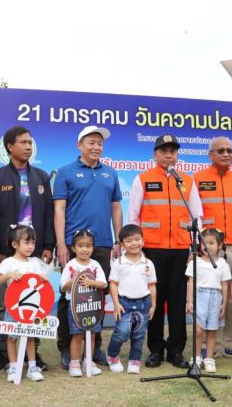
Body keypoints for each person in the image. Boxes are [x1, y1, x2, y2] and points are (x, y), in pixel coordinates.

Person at [128, 134, 202, 369]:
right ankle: (156, 350)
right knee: (155, 302)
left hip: (181, 250)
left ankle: (176, 351)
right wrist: (136, 249)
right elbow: (133, 216)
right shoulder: (143, 179)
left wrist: (194, 248)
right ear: (155, 154)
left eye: (173, 151)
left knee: (179, 302)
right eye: (164, 150)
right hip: (152, 250)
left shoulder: (187, 182)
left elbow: (196, 216)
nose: (169, 155)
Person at [0, 126, 53, 373]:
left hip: (35, 250)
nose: (28, 147)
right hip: (8, 252)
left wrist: (48, 245)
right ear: (9, 147)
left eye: (30, 143)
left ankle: (32, 353)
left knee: (36, 301)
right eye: (23, 142)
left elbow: (49, 214)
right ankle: (3, 352)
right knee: (5, 302)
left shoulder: (42, 177)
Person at [53, 125, 123, 368]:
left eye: (99, 143)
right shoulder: (65, 172)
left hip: (102, 244)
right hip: (74, 245)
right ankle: (66, 348)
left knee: (97, 296)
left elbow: (116, 207)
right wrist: (61, 244)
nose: (96, 147)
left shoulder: (110, 173)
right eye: (91, 142)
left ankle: (94, 349)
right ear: (79, 145)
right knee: (68, 295)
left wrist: (117, 240)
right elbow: (59, 208)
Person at [193, 136, 232, 362]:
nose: (226, 154)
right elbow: (194, 213)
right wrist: (201, 244)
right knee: (210, 296)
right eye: (220, 151)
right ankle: (209, 346)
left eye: (230, 150)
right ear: (210, 155)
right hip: (211, 249)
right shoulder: (198, 178)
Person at [0, 225, 49, 382]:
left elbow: (43, 280)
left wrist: (43, 277)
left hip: (31, 309)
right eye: (26, 242)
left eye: (33, 242)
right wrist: (9, 274)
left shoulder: (35, 263)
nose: (30, 246)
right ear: (15, 244)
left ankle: (31, 366)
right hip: (13, 308)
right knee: (12, 337)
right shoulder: (8, 262)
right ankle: (13, 366)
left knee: (30, 337)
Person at [106, 224, 157, 375]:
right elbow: (113, 284)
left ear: (143, 241)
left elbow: (152, 285)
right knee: (122, 331)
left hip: (144, 303)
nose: (134, 243)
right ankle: (112, 355)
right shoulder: (118, 263)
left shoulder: (148, 263)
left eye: (137, 239)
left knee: (139, 333)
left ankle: (135, 359)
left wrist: (153, 305)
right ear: (122, 245)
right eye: (129, 241)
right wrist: (116, 304)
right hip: (124, 303)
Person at [59, 229, 108, 377]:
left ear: (93, 248)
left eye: (88, 246)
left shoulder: (96, 265)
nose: (84, 249)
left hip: (93, 306)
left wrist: (90, 282)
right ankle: (74, 362)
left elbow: (103, 284)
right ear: (73, 248)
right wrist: (73, 281)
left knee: (92, 335)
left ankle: (88, 361)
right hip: (76, 307)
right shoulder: (70, 265)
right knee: (77, 335)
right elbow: (62, 286)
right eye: (80, 246)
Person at [185, 228, 230, 374]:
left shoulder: (223, 263)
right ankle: (197, 357)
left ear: (219, 245)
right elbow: (190, 282)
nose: (207, 246)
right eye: (204, 243)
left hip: (215, 298)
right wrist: (189, 301)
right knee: (198, 330)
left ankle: (209, 359)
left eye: (211, 243)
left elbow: (224, 284)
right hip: (199, 297)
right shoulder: (195, 262)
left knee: (212, 330)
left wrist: (224, 303)